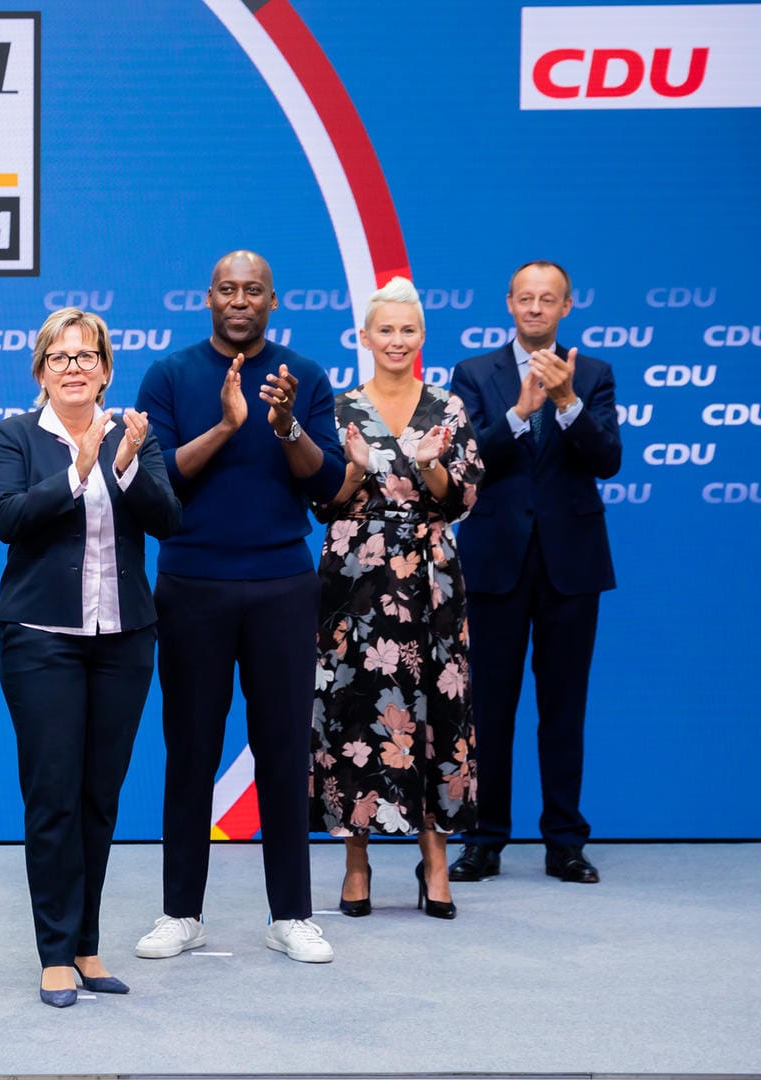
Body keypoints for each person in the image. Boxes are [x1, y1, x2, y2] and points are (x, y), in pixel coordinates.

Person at [132, 250, 344, 964]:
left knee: (284, 751)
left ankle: (290, 914)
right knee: (189, 749)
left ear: (273, 301)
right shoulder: (170, 375)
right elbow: (154, 478)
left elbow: (332, 485)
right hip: (192, 584)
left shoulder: (304, 377)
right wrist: (227, 425)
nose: (240, 300)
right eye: (228, 288)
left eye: (254, 290)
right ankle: (180, 912)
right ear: (209, 298)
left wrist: (285, 426)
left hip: (283, 585)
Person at [0, 308, 181, 1006]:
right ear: (41, 371)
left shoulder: (133, 434)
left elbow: (169, 520)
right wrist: (75, 472)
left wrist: (124, 466)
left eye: (87, 356)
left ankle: (87, 946)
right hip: (41, 642)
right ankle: (53, 954)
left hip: (124, 640)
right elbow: (6, 518)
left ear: (105, 367)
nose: (75, 367)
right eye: (60, 357)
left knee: (100, 798)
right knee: (53, 800)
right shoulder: (14, 435)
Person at [309, 277, 483, 920]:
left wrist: (434, 466)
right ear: (364, 337)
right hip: (356, 581)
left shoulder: (448, 408)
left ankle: (434, 858)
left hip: (432, 579)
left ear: (422, 337)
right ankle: (356, 864)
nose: (396, 340)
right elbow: (319, 500)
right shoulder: (339, 408)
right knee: (355, 711)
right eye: (385, 329)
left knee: (437, 709)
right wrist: (352, 470)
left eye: (407, 330)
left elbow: (463, 500)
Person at [448, 261, 621, 885]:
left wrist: (568, 402)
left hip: (571, 565)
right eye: (526, 299)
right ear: (510, 305)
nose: (536, 309)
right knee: (489, 710)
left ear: (567, 307)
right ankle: (484, 839)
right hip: (496, 561)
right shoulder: (474, 374)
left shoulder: (594, 374)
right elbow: (465, 459)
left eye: (549, 300)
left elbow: (609, 460)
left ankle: (565, 842)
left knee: (564, 707)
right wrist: (520, 414)